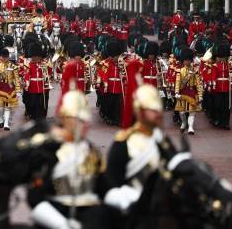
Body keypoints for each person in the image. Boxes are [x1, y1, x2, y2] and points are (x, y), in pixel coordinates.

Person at [28, 91, 110, 229]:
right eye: (80, 120)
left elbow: (103, 187)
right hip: (57, 214)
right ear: (66, 120)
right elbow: (35, 197)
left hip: (89, 216)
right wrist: (60, 224)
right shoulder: (48, 152)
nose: (85, 125)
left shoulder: (92, 151)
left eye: (86, 121)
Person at [103, 84, 173, 216]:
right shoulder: (123, 143)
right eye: (152, 110)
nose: (158, 113)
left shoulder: (162, 140)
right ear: (140, 112)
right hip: (132, 206)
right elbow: (112, 185)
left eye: (159, 108)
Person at [174, 47, 203, 135]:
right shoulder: (180, 71)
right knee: (182, 112)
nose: (187, 62)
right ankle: (184, 123)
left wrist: (200, 95)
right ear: (183, 60)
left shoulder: (195, 71)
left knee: (192, 112)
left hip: (192, 92)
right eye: (185, 60)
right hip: (183, 93)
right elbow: (178, 83)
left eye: (188, 60)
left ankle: (191, 127)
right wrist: (176, 92)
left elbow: (198, 83)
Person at [0, 47, 22, 130]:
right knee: (0, 108)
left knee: (7, 107)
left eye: (6, 57)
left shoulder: (13, 66)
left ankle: (6, 124)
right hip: (0, 88)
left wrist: (18, 91)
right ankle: (1, 118)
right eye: (3, 57)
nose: (5, 58)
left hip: (10, 88)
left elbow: (17, 79)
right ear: (1, 57)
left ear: (8, 57)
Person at [23, 41, 51, 121]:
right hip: (33, 87)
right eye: (34, 57)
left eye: (38, 57)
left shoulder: (44, 64)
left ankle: (41, 117)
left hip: (42, 87)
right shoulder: (29, 65)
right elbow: (27, 75)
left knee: (42, 104)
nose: (36, 58)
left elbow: (48, 75)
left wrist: (49, 68)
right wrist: (27, 84)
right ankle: (33, 116)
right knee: (33, 104)